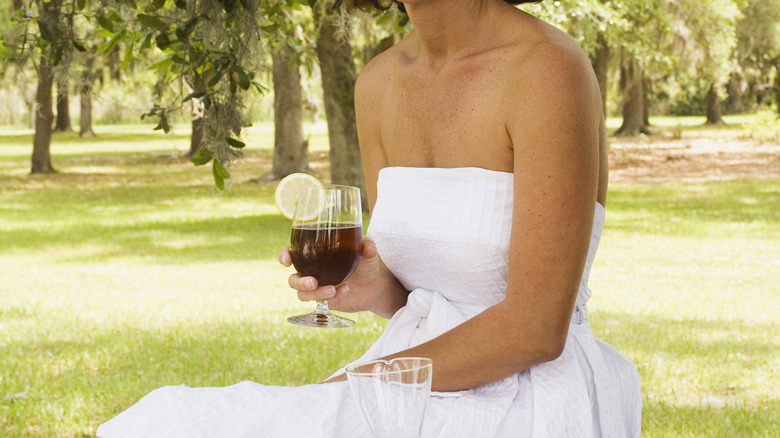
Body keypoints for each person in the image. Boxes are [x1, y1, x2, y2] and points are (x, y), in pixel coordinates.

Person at [97, 0, 642, 436]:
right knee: (164, 418)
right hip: (407, 379)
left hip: (525, 396)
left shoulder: (547, 68)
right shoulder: (379, 81)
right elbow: (414, 296)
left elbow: (535, 330)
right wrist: (373, 285)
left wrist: (351, 385)